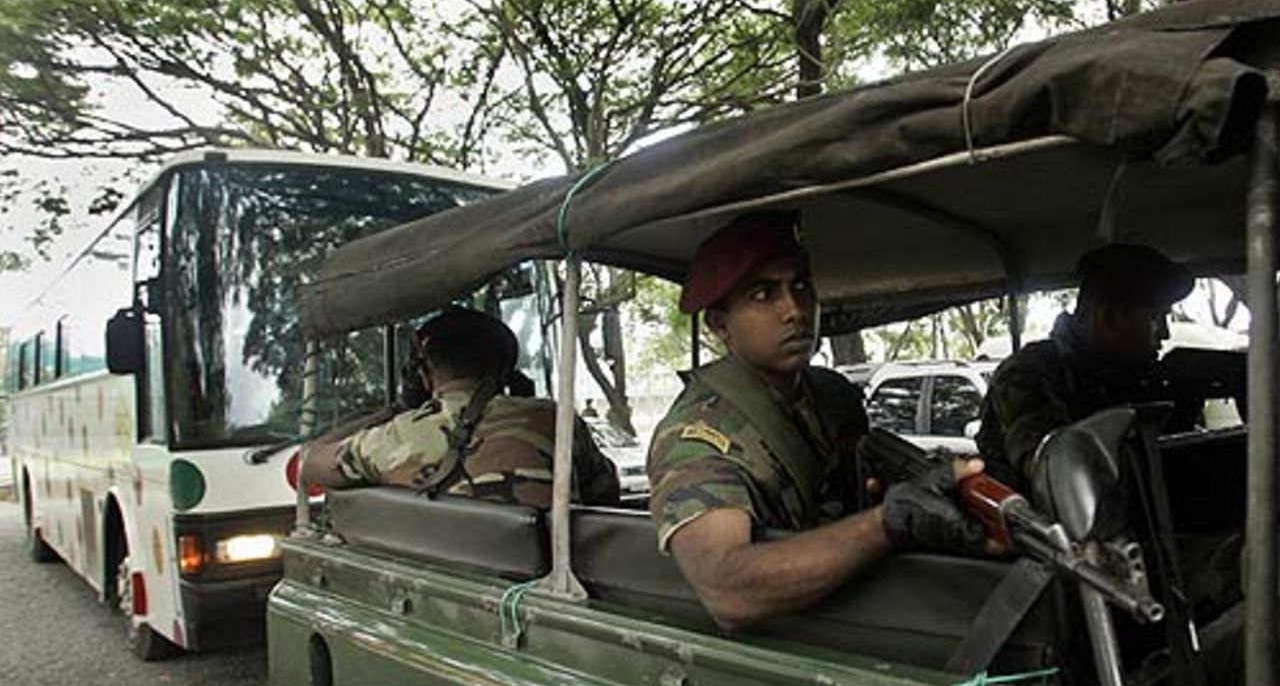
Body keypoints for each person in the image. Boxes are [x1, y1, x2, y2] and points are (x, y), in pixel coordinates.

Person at [646, 212, 994, 631]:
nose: (794, 310)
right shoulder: (697, 436)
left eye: (801, 287)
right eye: (763, 294)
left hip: (864, 612)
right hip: (784, 642)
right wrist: (885, 523)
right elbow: (727, 589)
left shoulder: (832, 396)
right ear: (720, 325)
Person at [303, 307, 619, 509]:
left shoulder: (395, 436)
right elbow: (605, 493)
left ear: (422, 375)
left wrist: (396, 409)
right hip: (542, 586)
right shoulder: (553, 420)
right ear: (505, 370)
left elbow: (310, 462)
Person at [975, 243, 1194, 492]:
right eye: (1155, 318)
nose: (1164, 334)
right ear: (1109, 318)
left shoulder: (1122, 375)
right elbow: (1057, 476)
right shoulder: (1031, 373)